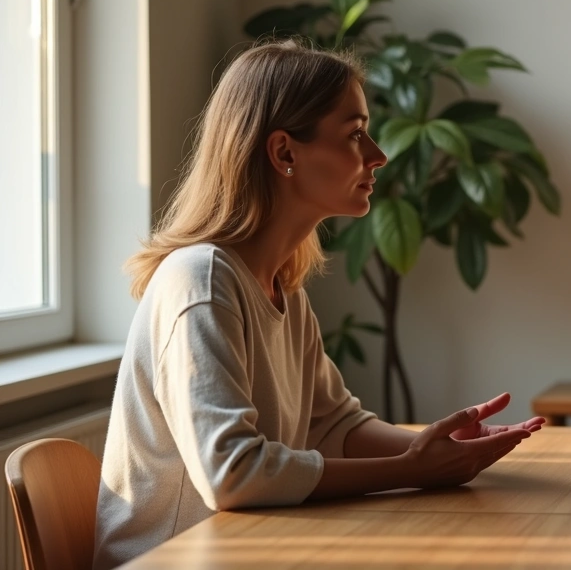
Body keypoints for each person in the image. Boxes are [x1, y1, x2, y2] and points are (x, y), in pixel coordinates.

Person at [93, 40, 544, 569]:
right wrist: (415, 468)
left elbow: (334, 425)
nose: (379, 154)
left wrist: (440, 447)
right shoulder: (202, 279)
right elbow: (232, 474)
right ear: (284, 152)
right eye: (355, 135)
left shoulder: (280, 286)